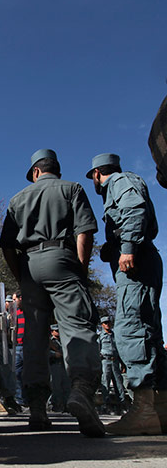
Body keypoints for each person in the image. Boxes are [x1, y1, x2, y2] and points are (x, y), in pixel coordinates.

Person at [0, 149, 104, 437]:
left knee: (35, 336)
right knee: (77, 326)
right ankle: (81, 390)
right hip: (62, 259)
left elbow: (7, 244)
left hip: (29, 266)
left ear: (35, 172)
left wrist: (21, 276)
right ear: (54, 169)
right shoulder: (72, 188)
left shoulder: (17, 199)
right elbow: (85, 232)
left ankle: (36, 409)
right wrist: (80, 270)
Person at [87, 153, 167, 435]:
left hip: (138, 261)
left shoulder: (119, 182)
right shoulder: (125, 182)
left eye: (93, 178)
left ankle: (143, 410)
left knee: (131, 328)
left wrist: (128, 247)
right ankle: (160, 409)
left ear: (98, 174)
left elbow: (135, 209)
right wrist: (113, 247)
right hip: (143, 260)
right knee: (148, 330)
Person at [97, 316, 127, 414]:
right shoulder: (100, 336)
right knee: (105, 383)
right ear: (102, 325)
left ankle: (122, 405)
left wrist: (123, 364)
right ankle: (106, 405)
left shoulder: (115, 336)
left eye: (108, 323)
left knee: (119, 384)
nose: (107, 325)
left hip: (115, 361)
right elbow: (97, 349)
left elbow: (120, 349)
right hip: (105, 361)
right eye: (105, 323)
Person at [48, 324, 70, 412]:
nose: (58, 332)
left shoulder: (63, 340)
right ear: (52, 332)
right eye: (56, 331)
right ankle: (53, 404)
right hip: (54, 365)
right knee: (55, 386)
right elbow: (45, 352)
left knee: (66, 386)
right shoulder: (50, 341)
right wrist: (54, 354)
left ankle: (65, 405)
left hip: (64, 365)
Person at [13, 291, 26, 406]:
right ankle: (19, 400)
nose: (13, 302)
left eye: (14, 300)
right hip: (17, 346)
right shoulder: (14, 313)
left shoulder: (30, 312)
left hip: (29, 347)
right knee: (17, 374)